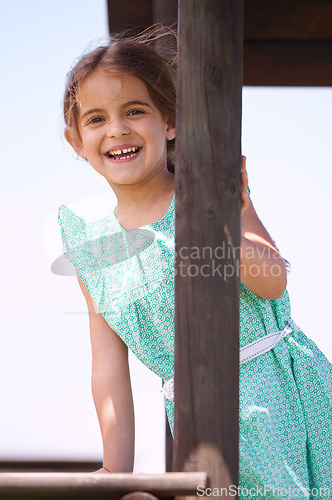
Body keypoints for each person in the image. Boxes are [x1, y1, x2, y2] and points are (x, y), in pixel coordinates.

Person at [58, 30, 332, 496]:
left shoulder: (209, 185)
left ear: (170, 121)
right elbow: (107, 369)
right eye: (97, 119)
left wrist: (218, 212)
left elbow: (273, 283)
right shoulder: (91, 243)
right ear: (76, 140)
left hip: (282, 397)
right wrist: (114, 469)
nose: (117, 129)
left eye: (135, 111)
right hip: (194, 419)